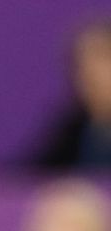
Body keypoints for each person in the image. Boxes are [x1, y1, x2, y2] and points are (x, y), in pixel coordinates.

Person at [29, 17, 111, 172]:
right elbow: (30, 173)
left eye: (103, 60)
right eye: (81, 66)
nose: (90, 74)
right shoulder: (74, 127)